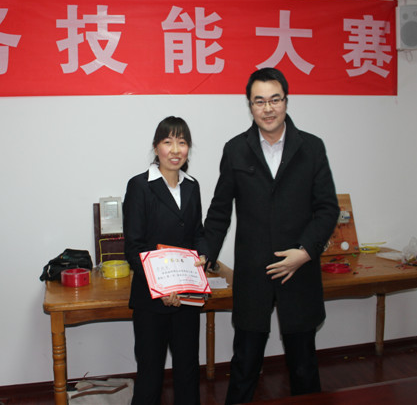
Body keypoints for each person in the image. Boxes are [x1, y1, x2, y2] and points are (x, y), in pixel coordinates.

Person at [204, 68, 340, 404]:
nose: (268, 108)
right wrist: (204, 256)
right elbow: (219, 211)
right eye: (259, 101)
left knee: (304, 366)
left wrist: (304, 252)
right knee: (245, 364)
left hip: (299, 270)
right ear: (250, 106)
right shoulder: (235, 149)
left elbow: (327, 209)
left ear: (286, 102)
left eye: (275, 100)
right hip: (254, 272)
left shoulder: (311, 147)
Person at [123, 116, 207, 405]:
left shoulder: (192, 186)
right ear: (156, 146)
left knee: (188, 370)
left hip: (187, 297)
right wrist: (161, 288)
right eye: (167, 141)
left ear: (188, 148)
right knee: (150, 375)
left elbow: (198, 233)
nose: (175, 150)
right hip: (151, 299)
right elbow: (134, 247)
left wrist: (203, 254)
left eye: (182, 142)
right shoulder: (140, 186)